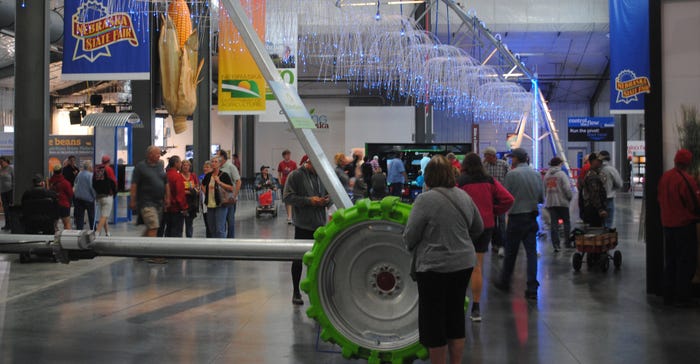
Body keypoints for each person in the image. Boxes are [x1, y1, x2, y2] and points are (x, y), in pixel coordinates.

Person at [403, 155, 483, 364]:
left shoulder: (424, 200)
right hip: (463, 264)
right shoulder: (464, 196)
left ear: (428, 176)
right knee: (455, 316)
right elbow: (478, 227)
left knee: (433, 321)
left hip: (433, 268)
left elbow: (410, 235)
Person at [457, 152, 514, 322]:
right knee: (477, 267)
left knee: (459, 268)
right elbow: (508, 199)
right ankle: (476, 309)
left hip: (465, 227)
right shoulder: (489, 180)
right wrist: (494, 211)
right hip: (486, 226)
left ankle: (458, 306)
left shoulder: (460, 182)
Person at [495, 148, 544, 300]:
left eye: (512, 158)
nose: (511, 160)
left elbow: (505, 195)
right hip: (531, 217)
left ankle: (504, 282)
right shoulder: (536, 174)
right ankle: (531, 288)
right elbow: (541, 198)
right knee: (531, 253)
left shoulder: (511, 175)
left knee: (511, 252)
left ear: (517, 159)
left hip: (516, 218)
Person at [283, 155, 331, 305]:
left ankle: (317, 292)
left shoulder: (321, 175)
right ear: (308, 163)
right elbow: (288, 197)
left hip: (320, 225)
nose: (319, 171)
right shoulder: (295, 176)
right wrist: (309, 201)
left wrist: (327, 200)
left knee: (320, 260)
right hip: (303, 225)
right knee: (298, 259)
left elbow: (330, 194)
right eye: (317, 167)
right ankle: (296, 291)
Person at [658, 149, 700, 308]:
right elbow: (694, 203)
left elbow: (659, 198)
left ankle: (668, 295)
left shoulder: (665, 177)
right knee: (686, 262)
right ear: (688, 163)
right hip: (683, 225)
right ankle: (682, 296)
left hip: (667, 225)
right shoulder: (686, 179)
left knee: (670, 261)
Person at [130, 146, 170, 242]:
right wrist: (132, 200)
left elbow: (166, 182)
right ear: (149, 155)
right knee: (153, 226)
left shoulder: (160, 165)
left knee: (151, 227)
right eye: (157, 154)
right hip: (146, 203)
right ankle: (154, 255)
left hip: (159, 203)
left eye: (159, 153)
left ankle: (140, 248)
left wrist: (167, 197)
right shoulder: (140, 167)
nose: (159, 156)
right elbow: (134, 184)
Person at [483, 147, 509, 257]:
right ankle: (495, 244)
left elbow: (509, 178)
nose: (485, 158)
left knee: (502, 221)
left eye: (486, 156)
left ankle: (503, 244)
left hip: (501, 197)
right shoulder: (484, 166)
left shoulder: (503, 164)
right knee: (492, 222)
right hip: (489, 198)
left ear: (492, 155)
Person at [543, 157, 573, 251]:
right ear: (559, 164)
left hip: (551, 203)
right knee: (566, 223)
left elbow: (544, 189)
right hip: (562, 202)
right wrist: (569, 197)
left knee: (554, 224)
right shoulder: (561, 174)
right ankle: (567, 242)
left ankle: (556, 245)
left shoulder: (547, 175)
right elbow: (567, 188)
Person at [202, 157, 235, 239]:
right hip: (210, 204)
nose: (213, 163)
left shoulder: (224, 175)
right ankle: (214, 247)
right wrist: (206, 193)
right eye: (212, 162)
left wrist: (219, 182)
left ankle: (222, 247)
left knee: (220, 229)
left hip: (221, 204)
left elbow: (231, 188)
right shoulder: (208, 175)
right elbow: (202, 185)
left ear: (220, 164)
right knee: (212, 228)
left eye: (215, 162)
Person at [218, 150, 242, 238]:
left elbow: (238, 181)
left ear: (223, 157)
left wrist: (234, 195)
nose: (217, 157)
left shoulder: (231, 167)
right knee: (222, 220)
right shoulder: (218, 167)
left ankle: (231, 238)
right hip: (221, 198)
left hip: (230, 198)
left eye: (218, 156)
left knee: (230, 220)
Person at [580, 153, 608, 227]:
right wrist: (600, 209)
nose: (601, 162)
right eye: (598, 160)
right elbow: (594, 194)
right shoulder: (592, 176)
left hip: (593, 208)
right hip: (594, 210)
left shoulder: (595, 173)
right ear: (592, 161)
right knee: (596, 230)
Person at [93, 155, 117, 237]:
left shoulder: (97, 170)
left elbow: (93, 183)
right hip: (107, 196)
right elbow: (114, 182)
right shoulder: (108, 169)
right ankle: (97, 233)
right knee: (104, 215)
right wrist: (114, 193)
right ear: (109, 162)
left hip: (99, 196)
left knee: (104, 215)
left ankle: (107, 233)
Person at [598, 150, 623, 227]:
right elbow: (619, 184)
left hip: (597, 200)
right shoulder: (612, 170)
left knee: (599, 223)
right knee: (608, 223)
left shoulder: (595, 170)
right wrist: (612, 188)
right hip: (609, 199)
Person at [164, 156, 187, 238]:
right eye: (180, 162)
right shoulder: (177, 176)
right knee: (176, 232)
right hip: (176, 209)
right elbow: (180, 194)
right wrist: (184, 207)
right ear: (176, 163)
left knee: (168, 230)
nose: (181, 164)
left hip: (167, 208)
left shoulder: (165, 175)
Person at [49, 164, 73, 230]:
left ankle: (54, 238)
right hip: (64, 205)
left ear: (53, 172)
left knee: (54, 225)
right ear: (61, 171)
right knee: (66, 223)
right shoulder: (65, 182)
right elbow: (70, 194)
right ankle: (67, 238)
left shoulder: (50, 182)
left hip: (53, 204)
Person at [73, 160, 96, 231]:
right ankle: (93, 230)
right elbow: (92, 187)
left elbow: (75, 184)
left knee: (79, 217)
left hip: (78, 198)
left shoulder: (79, 174)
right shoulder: (90, 175)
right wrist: (95, 196)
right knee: (91, 216)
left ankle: (79, 231)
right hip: (88, 199)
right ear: (89, 167)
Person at [278, 150, 298, 224]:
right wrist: (280, 182)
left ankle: (292, 216)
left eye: (289, 154)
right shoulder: (281, 164)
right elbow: (279, 173)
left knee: (293, 199)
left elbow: (297, 173)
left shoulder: (293, 163)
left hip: (292, 183)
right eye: (287, 155)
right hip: (284, 183)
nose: (288, 156)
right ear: (284, 156)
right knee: (286, 200)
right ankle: (289, 216)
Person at [181, 159, 200, 238]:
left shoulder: (193, 176)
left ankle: (189, 239)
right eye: (184, 165)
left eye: (187, 165)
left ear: (190, 166)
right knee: (180, 223)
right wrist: (188, 192)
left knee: (189, 223)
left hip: (191, 203)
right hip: (182, 202)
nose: (186, 167)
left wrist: (196, 190)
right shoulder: (179, 176)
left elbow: (197, 186)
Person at [0, 156, 14, 230]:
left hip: (10, 191)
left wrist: (14, 189)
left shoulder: (11, 169)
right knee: (5, 209)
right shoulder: (1, 170)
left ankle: (12, 224)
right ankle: (7, 224)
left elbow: (14, 179)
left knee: (10, 208)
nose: (1, 163)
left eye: (2, 162)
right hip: (2, 191)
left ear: (6, 161)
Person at [200, 160, 212, 237]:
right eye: (204, 167)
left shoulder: (213, 178)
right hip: (204, 204)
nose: (205, 169)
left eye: (207, 167)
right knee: (207, 225)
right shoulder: (201, 177)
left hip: (211, 203)